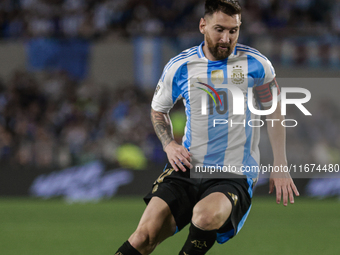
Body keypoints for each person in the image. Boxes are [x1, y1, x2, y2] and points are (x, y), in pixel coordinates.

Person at [115, 0, 299, 254]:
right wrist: (169, 145)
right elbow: (159, 109)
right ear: (203, 25)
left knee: (204, 216)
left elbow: (275, 109)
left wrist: (280, 162)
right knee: (143, 237)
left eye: (233, 31)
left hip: (234, 172)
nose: (226, 38)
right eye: (219, 29)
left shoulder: (257, 64)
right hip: (188, 166)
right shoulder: (180, 67)